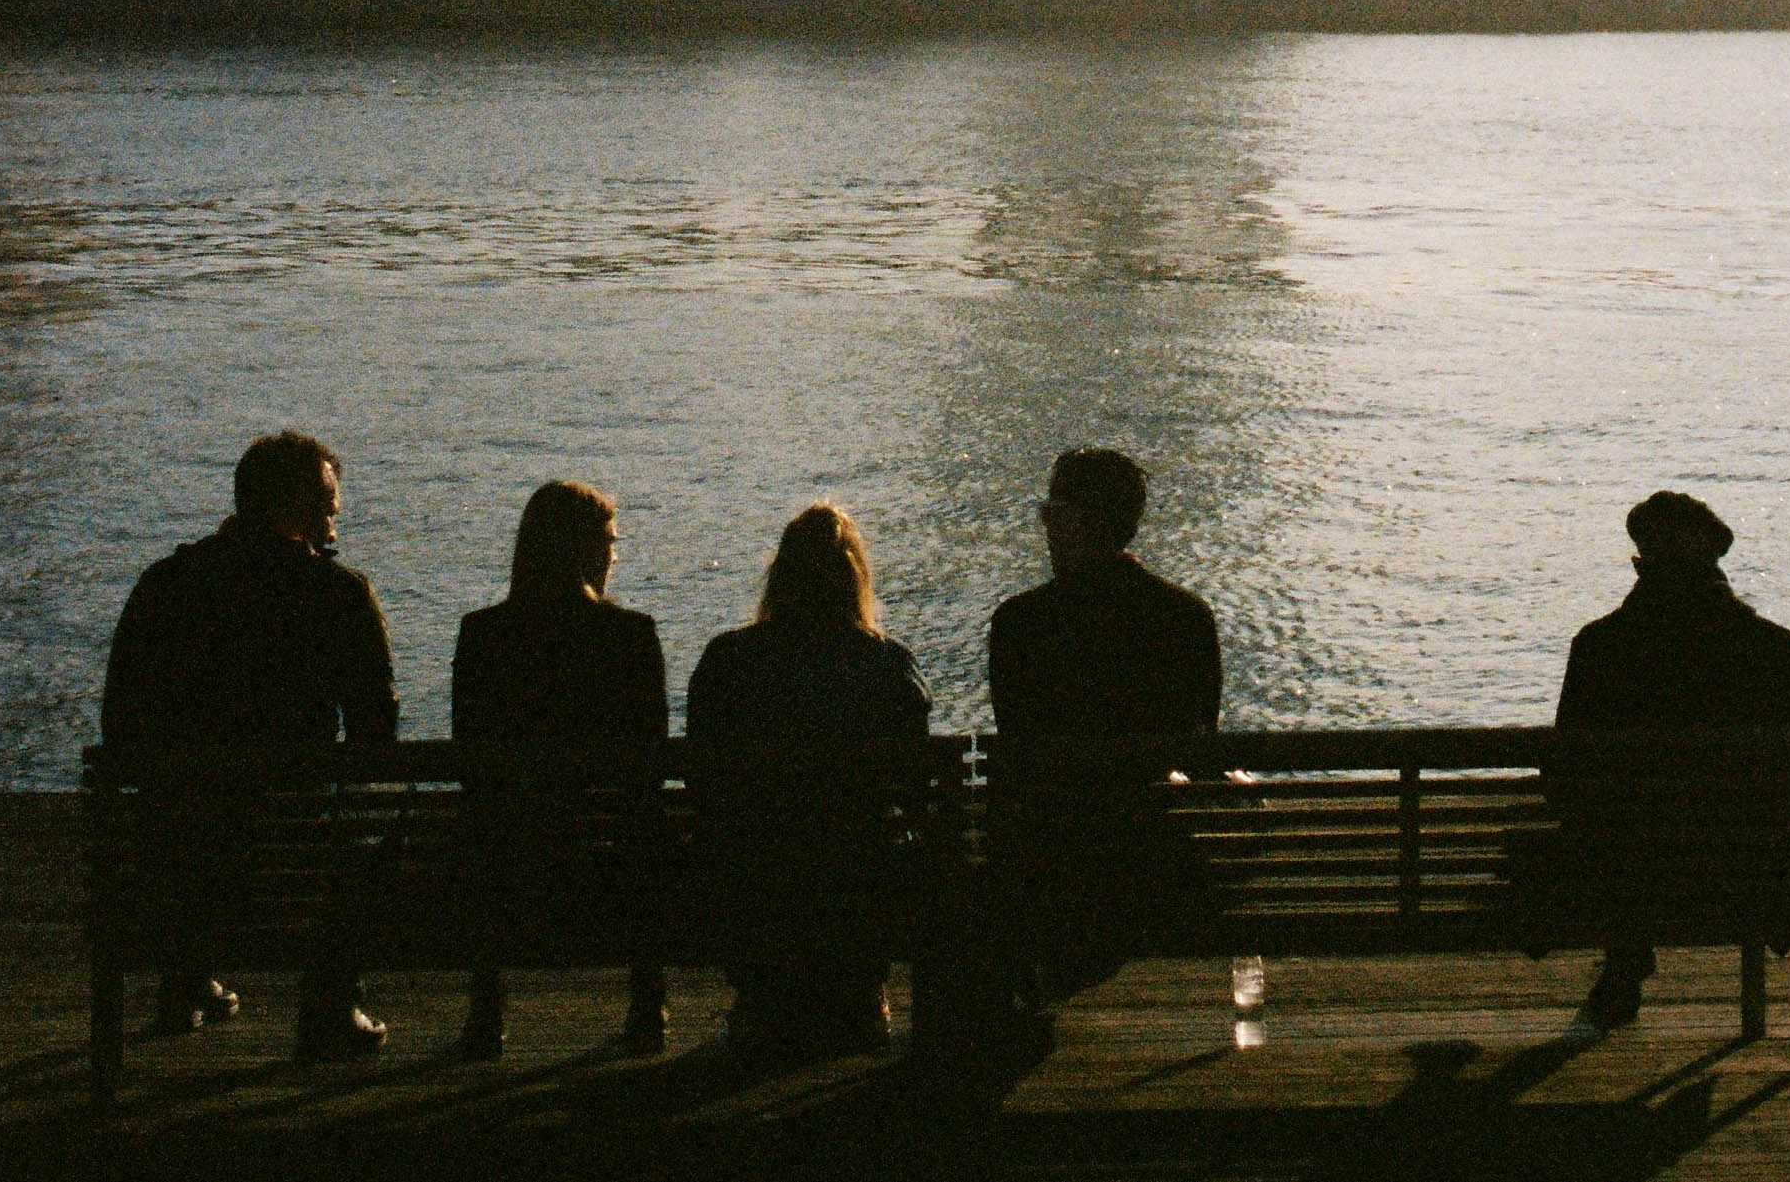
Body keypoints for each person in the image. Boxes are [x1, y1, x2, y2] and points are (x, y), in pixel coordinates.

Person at [100, 431, 398, 1060]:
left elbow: (120, 727)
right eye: (326, 504)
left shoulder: (165, 585)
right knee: (360, 825)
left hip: (171, 854)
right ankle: (328, 1005)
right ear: (295, 509)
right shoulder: (338, 595)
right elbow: (377, 741)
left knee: (201, 816)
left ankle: (183, 978)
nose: (335, 514)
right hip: (292, 853)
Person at [1554, 490, 1790, 1037]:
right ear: (1716, 564)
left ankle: (1626, 958)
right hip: (1745, 871)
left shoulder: (1599, 648)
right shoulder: (1774, 651)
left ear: (1642, 562)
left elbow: (1563, 780)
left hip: (1617, 876)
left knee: (1617, 827)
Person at [685, 504, 930, 1060]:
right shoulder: (886, 665)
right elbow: (915, 787)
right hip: (857, 873)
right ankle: (862, 997)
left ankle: (761, 1002)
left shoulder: (729, 660)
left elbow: (704, 783)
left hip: (753, 874)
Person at [986, 450, 1220, 1011]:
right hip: (1150, 861)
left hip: (1048, 858)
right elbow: (1201, 742)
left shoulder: (1019, 624)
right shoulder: (1186, 618)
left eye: (1050, 512)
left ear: (1075, 521)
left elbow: (1017, 738)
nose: (1044, 526)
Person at [451, 481, 668, 1061]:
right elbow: (648, 769)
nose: (614, 556)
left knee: (486, 828)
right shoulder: (630, 637)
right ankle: (648, 1006)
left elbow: (471, 761)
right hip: (610, 870)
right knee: (648, 830)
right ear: (591, 551)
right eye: (611, 543)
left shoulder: (482, 635)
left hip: (505, 870)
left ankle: (486, 1010)